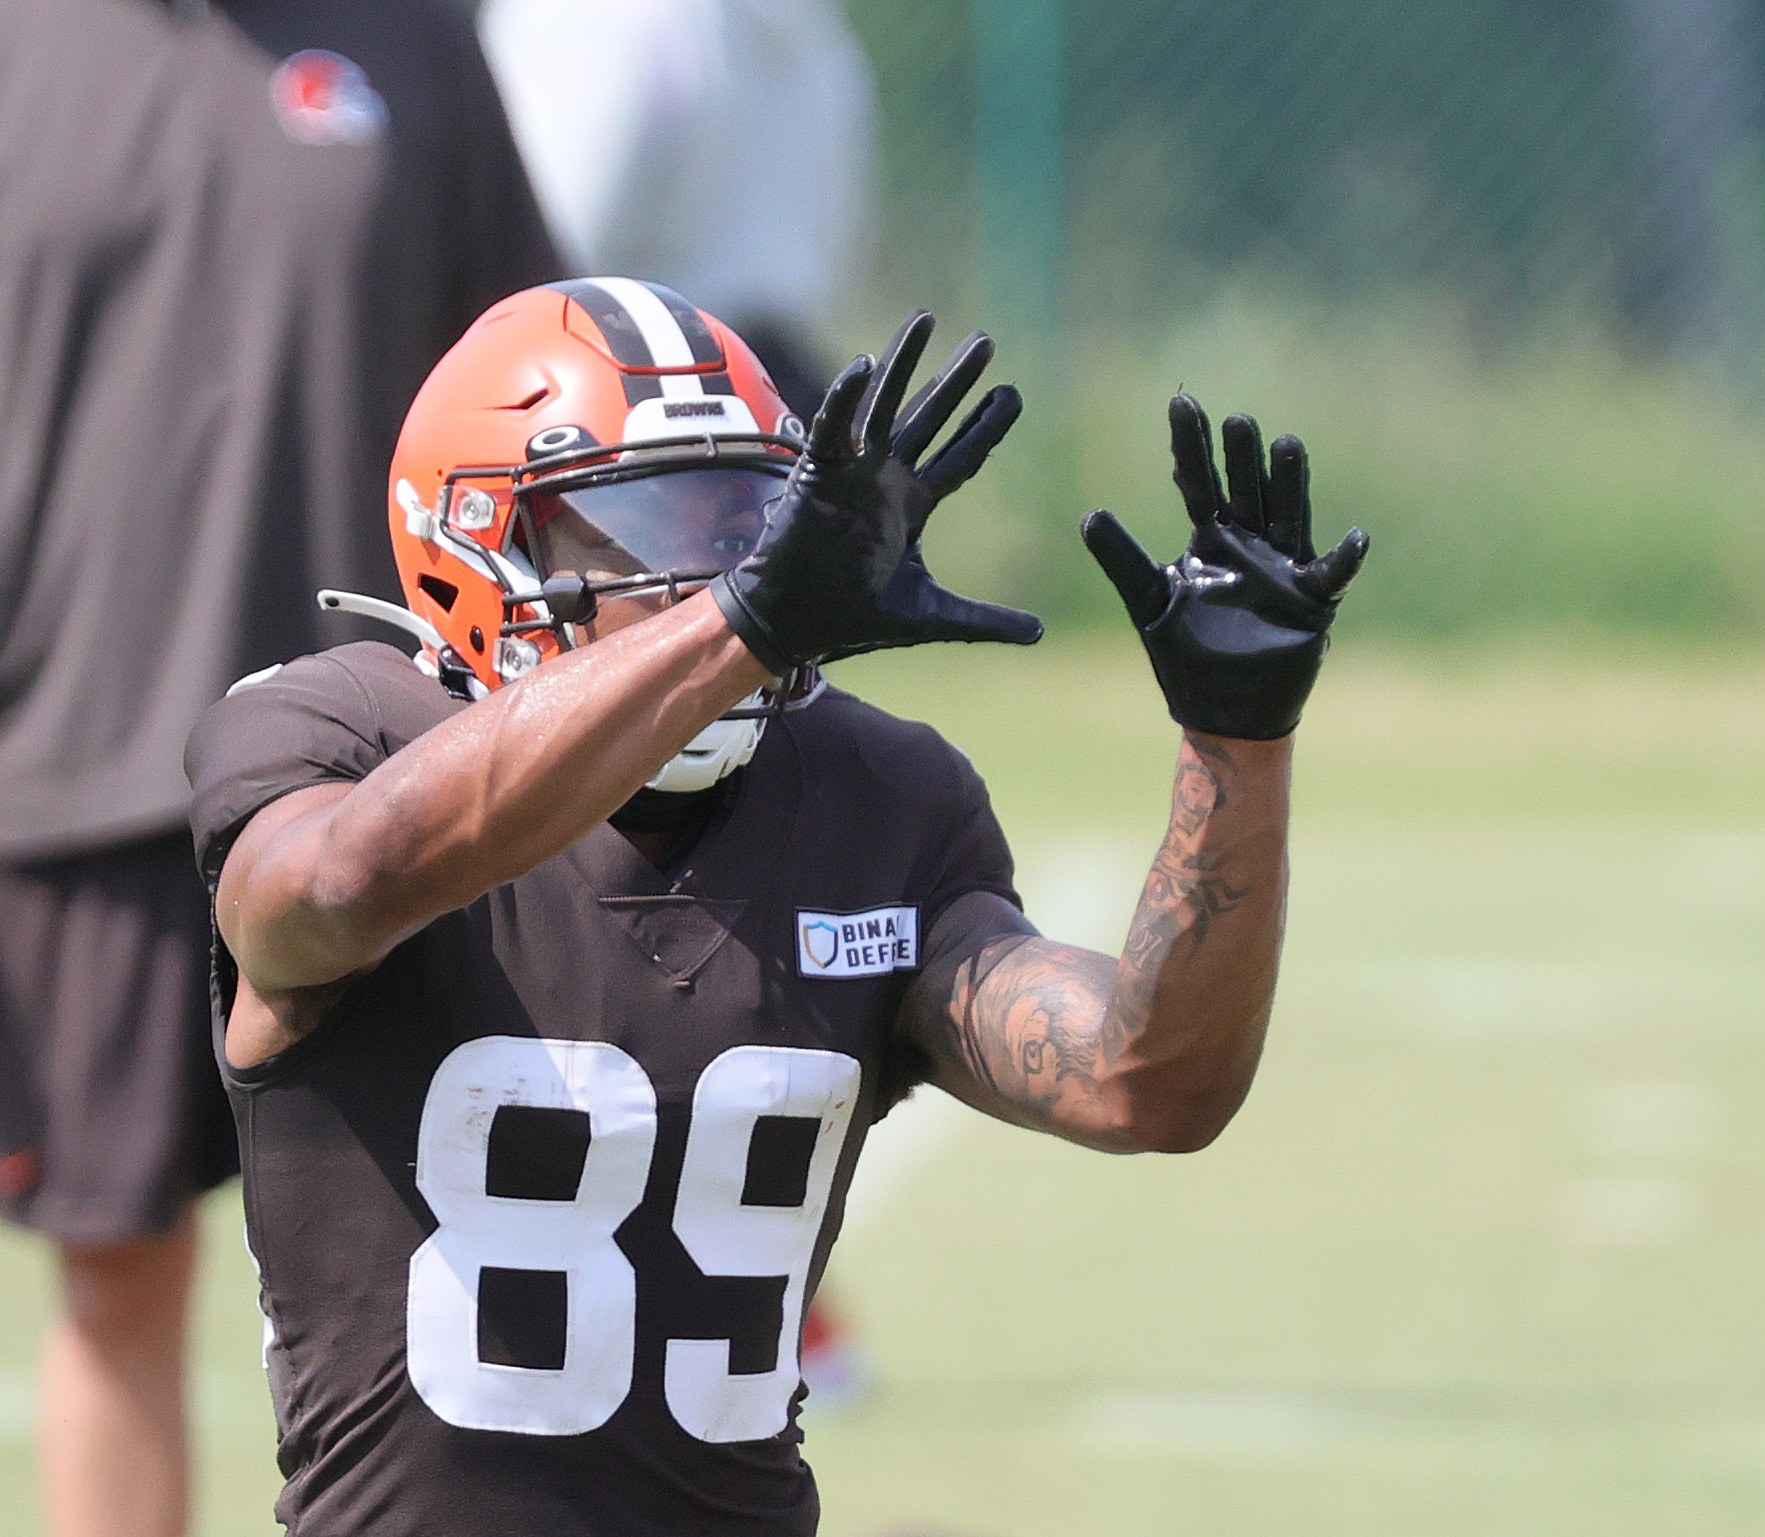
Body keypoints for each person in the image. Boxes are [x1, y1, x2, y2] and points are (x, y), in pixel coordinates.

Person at [184, 278, 1367, 1534]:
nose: (715, 568)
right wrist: (741, 625)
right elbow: (327, 894)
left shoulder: (876, 795)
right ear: (474, 541)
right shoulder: (335, 734)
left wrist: (1237, 743)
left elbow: (1149, 1082)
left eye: (745, 518)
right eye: (647, 524)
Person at [0, 3, 559, 1534]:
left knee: (443, 1290)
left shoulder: (417, 39)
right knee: (115, 1271)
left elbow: (534, 379)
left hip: (389, 784)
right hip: (69, 772)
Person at [477, 0, 877, 417]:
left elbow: (554, 240)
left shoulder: (605, 17)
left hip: (617, 392)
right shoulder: (814, 31)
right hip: (770, 386)